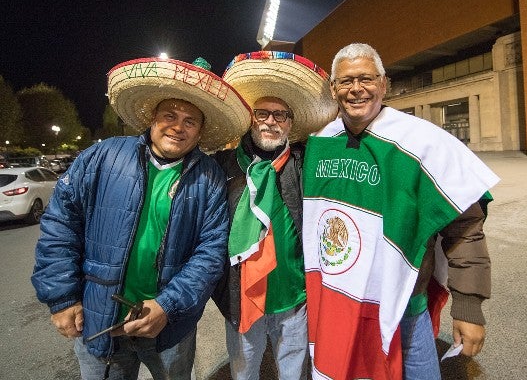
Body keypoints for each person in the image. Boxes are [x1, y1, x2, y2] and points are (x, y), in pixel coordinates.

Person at [31, 56, 251, 379]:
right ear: (152, 117)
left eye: (190, 120)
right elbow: (61, 222)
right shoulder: (103, 157)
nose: (178, 126)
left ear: (201, 130)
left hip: (171, 329)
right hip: (102, 322)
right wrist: (61, 297)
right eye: (170, 115)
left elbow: (212, 252)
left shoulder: (210, 178)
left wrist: (167, 305)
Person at [301, 43, 500, 379]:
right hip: (340, 302)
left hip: (406, 309)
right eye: (346, 81)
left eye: (366, 79)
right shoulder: (319, 142)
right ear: (333, 89)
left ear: (384, 84)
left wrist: (469, 306)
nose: (356, 89)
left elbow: (464, 228)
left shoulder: (423, 142)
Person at [212, 51, 337, 380]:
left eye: (280, 115)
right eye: (263, 113)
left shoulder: (305, 162)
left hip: (293, 297)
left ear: (291, 123)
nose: (271, 121)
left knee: (293, 373)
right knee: (243, 372)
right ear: (251, 118)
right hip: (241, 297)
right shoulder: (223, 167)